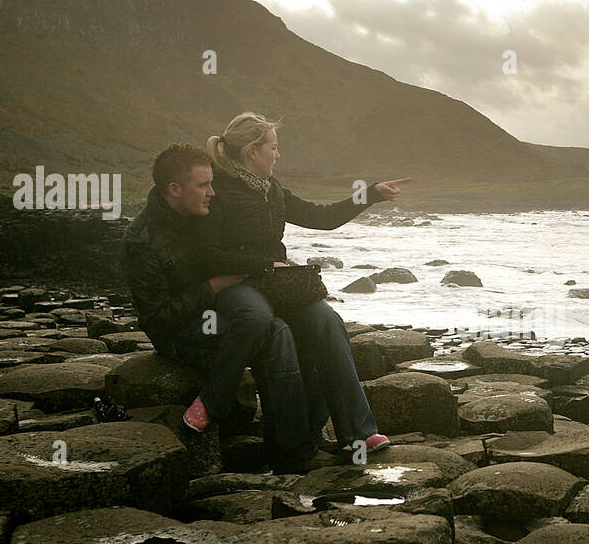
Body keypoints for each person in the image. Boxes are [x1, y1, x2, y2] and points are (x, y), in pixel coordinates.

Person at [192, 111, 411, 463]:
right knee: (269, 324)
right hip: (238, 283)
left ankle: (358, 433)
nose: (277, 155)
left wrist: (371, 195)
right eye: (273, 148)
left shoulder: (272, 189)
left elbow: (320, 216)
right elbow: (208, 255)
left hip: (276, 281)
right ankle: (289, 447)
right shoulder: (219, 191)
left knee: (327, 321)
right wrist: (261, 265)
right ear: (252, 152)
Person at [120, 143, 334, 473]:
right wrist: (213, 287)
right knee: (267, 328)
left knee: (289, 326)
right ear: (175, 190)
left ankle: (301, 442)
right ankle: (277, 441)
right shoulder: (142, 240)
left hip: (221, 317)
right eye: (204, 185)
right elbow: (156, 319)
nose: (212, 192)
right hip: (183, 332)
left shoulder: (197, 216)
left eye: (212, 183)